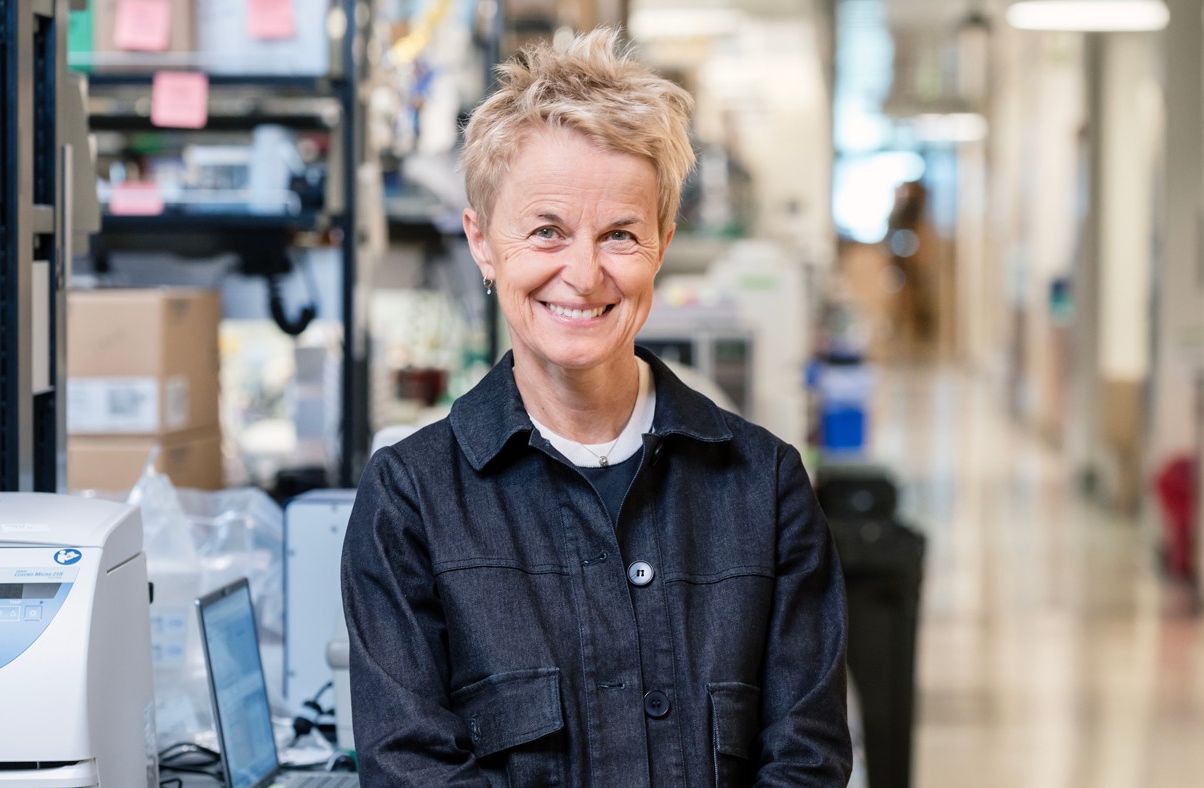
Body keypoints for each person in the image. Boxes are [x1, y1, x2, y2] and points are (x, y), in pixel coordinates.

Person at [342, 28, 851, 787]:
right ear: (482, 242)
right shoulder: (410, 503)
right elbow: (411, 768)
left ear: (663, 243)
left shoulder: (764, 487)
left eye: (620, 235)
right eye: (546, 231)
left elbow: (806, 761)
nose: (582, 275)